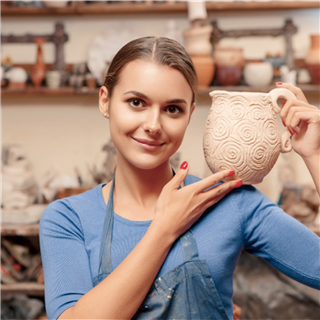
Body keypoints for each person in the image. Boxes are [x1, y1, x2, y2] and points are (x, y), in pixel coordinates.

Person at [39, 36, 320, 320]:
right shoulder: (67, 219)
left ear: (189, 115)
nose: (152, 125)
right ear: (105, 102)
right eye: (136, 102)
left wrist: (315, 155)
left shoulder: (231, 202)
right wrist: (164, 229)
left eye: (172, 109)